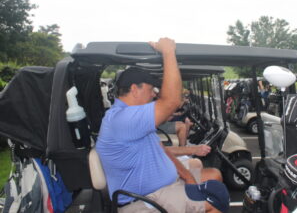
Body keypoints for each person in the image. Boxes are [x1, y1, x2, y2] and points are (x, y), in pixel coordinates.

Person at [96, 38, 229, 213]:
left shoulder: (134, 117)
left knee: (214, 176)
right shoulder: (122, 119)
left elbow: (163, 150)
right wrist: (168, 52)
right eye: (151, 90)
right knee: (214, 200)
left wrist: (187, 176)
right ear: (135, 89)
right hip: (144, 199)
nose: (153, 95)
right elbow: (172, 101)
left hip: (163, 186)